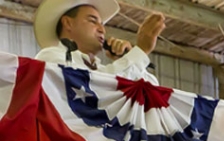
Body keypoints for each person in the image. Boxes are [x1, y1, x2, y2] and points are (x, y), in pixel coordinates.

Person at [34, 0, 165, 84]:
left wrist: (129, 58)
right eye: (92, 21)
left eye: (102, 24)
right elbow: (94, 90)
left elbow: (152, 90)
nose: (102, 30)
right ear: (68, 23)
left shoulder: (101, 70)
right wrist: (140, 52)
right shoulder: (49, 58)